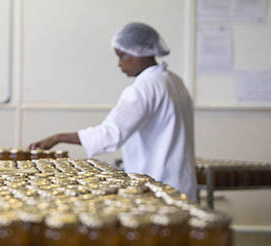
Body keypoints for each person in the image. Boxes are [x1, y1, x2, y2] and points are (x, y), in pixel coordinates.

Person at [29, 22, 197, 200]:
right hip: (181, 184)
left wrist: (58, 138)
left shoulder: (142, 89)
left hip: (158, 185)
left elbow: (109, 135)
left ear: (140, 52)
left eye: (122, 56)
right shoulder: (173, 80)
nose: (119, 64)